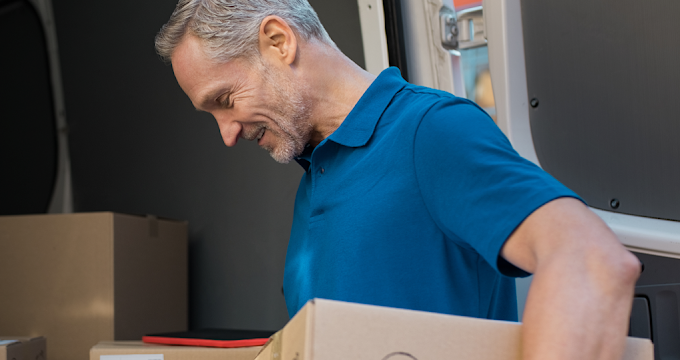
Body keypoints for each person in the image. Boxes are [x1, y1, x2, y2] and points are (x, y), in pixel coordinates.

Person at [153, 1, 640, 359]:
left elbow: (591, 261)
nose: (227, 134)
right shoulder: (315, 177)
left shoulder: (430, 132)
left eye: (224, 100)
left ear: (278, 41)